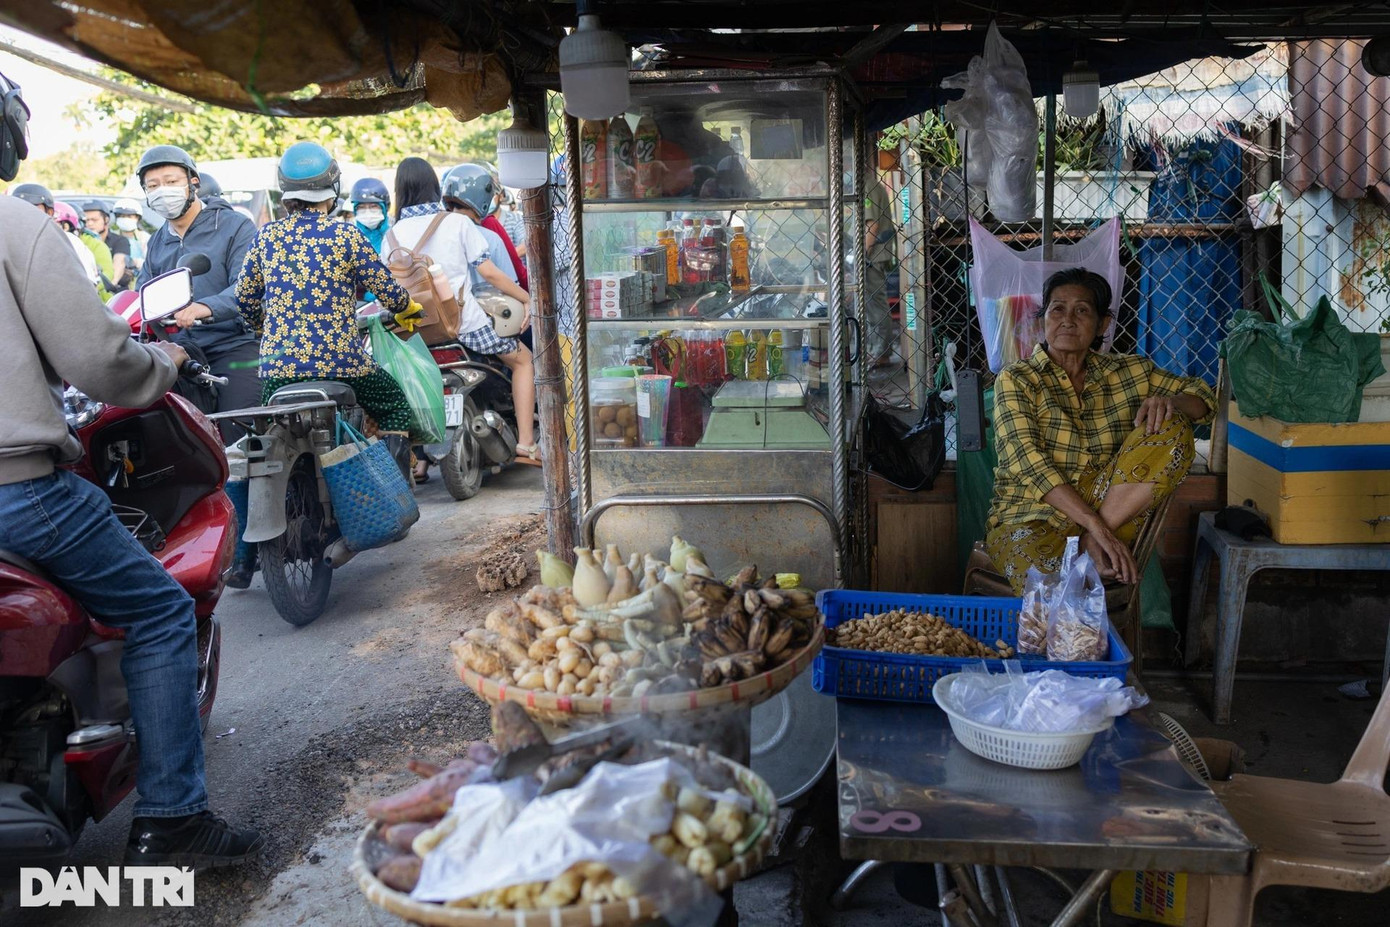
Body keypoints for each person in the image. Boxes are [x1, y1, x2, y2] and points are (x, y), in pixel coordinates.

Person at [0, 71, 263, 868]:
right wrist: (161, 361)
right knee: (156, 608)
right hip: (19, 489)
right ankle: (174, 816)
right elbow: (99, 359)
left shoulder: (224, 227)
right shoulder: (21, 228)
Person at [984, 268, 1216, 592]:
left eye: (1082, 310)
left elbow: (1205, 398)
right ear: (1043, 320)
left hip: (1108, 511)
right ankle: (1092, 544)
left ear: (1102, 324)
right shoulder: (1018, 379)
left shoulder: (1130, 371)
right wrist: (1096, 526)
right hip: (1032, 518)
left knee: (1173, 424)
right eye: (1057, 309)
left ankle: (1092, 544)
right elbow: (1028, 462)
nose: (1068, 319)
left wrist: (1170, 402)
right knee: (1052, 602)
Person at [235, 141, 419, 488]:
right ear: (333, 189)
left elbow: (243, 300)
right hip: (343, 364)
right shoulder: (346, 235)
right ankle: (395, 493)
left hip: (279, 370)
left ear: (284, 191)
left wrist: (263, 330)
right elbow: (388, 291)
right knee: (394, 404)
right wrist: (407, 309)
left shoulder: (266, 237)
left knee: (268, 426)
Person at [387, 157, 539, 466]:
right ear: (435, 188)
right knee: (523, 360)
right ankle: (526, 443)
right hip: (466, 326)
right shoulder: (455, 223)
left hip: (415, 334)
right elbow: (493, 274)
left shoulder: (392, 235)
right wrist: (527, 299)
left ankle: (417, 462)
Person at [136, 145, 262, 443]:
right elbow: (143, 294)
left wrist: (205, 307)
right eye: (152, 186)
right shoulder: (157, 242)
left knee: (238, 438)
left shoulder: (234, 226)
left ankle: (243, 487)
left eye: (171, 181)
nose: (162, 191)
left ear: (193, 182)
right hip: (179, 352)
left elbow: (249, 286)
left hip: (232, 347)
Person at [12, 184, 100, 289]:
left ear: (49, 212)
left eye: (32, 207)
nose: (25, 213)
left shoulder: (68, 241)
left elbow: (88, 286)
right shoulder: (7, 241)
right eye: (19, 208)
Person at [863, 175, 898, 369]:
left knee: (876, 304)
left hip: (873, 255)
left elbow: (872, 225)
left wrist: (862, 254)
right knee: (871, 304)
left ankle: (881, 351)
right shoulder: (869, 184)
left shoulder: (868, 185)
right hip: (874, 254)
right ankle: (877, 349)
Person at [84, 200, 134, 290]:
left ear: (106, 219)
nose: (90, 223)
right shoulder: (82, 242)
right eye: (86, 220)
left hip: (114, 293)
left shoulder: (120, 241)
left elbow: (119, 263)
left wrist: (111, 284)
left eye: (94, 220)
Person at [350, 176, 392, 254]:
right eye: (361, 207)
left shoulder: (395, 236)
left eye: (373, 206)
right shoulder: (348, 238)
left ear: (385, 208)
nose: (367, 213)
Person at [113, 198, 148, 273]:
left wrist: (136, 262)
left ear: (137, 218)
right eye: (122, 216)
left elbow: (151, 264)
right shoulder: (112, 236)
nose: (125, 219)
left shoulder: (144, 238)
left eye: (129, 216)